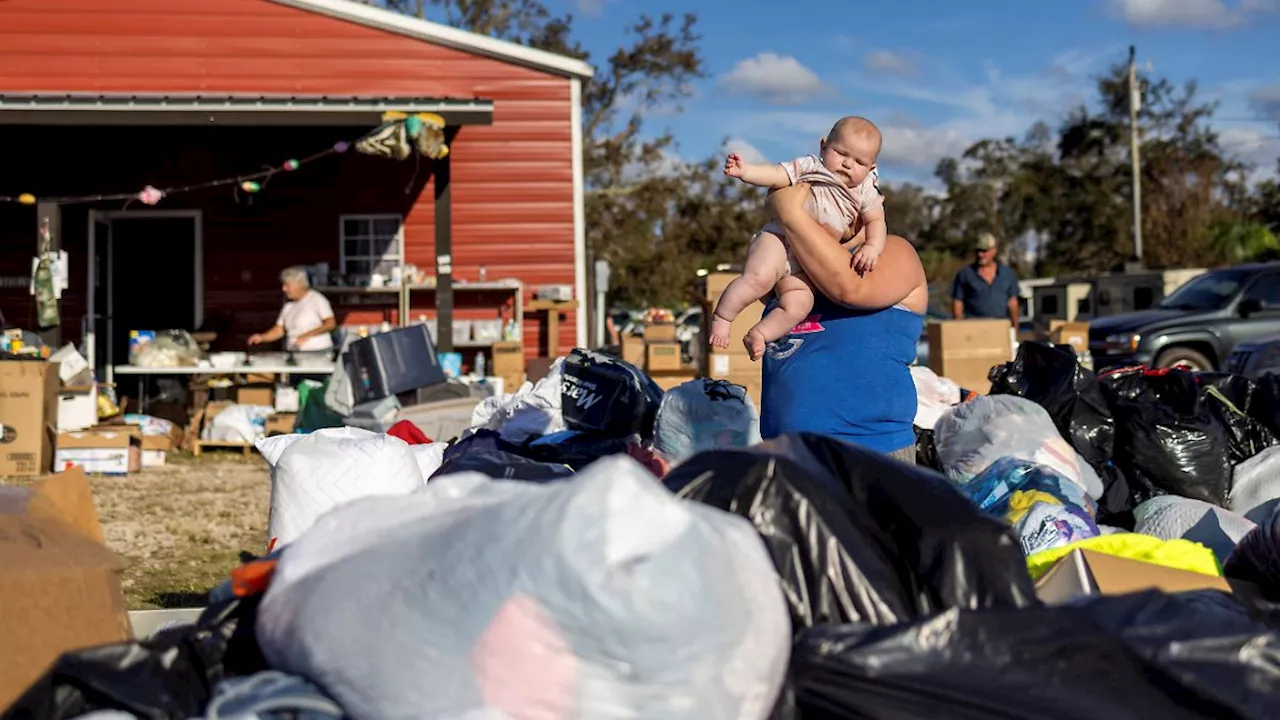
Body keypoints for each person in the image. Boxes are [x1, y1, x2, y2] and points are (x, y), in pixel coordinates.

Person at [759, 183, 929, 464]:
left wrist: (789, 212)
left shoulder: (894, 252)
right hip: (788, 457)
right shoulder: (794, 267)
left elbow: (850, 289)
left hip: (870, 456)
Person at [710, 116, 888, 360]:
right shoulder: (812, 166)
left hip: (806, 264)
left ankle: (760, 334)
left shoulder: (867, 189)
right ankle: (723, 317)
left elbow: (876, 222)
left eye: (859, 161)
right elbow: (776, 174)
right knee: (758, 279)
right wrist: (746, 172)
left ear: (872, 167)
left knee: (799, 305)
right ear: (823, 146)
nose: (847, 164)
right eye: (841, 153)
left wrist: (872, 247)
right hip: (779, 240)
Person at [248, 267, 337, 352]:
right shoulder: (288, 306)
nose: (284, 289)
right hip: (294, 352)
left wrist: (306, 335)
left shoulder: (316, 299)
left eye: (287, 285)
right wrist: (262, 337)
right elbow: (279, 330)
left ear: (299, 284)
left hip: (318, 351)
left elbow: (330, 324)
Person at [950, 232, 1020, 326]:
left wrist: (1014, 329)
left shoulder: (1007, 274)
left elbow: (1013, 303)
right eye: (978, 251)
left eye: (984, 251)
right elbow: (957, 303)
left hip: (1000, 328)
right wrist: (959, 328)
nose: (980, 254)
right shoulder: (965, 274)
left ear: (994, 251)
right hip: (974, 328)